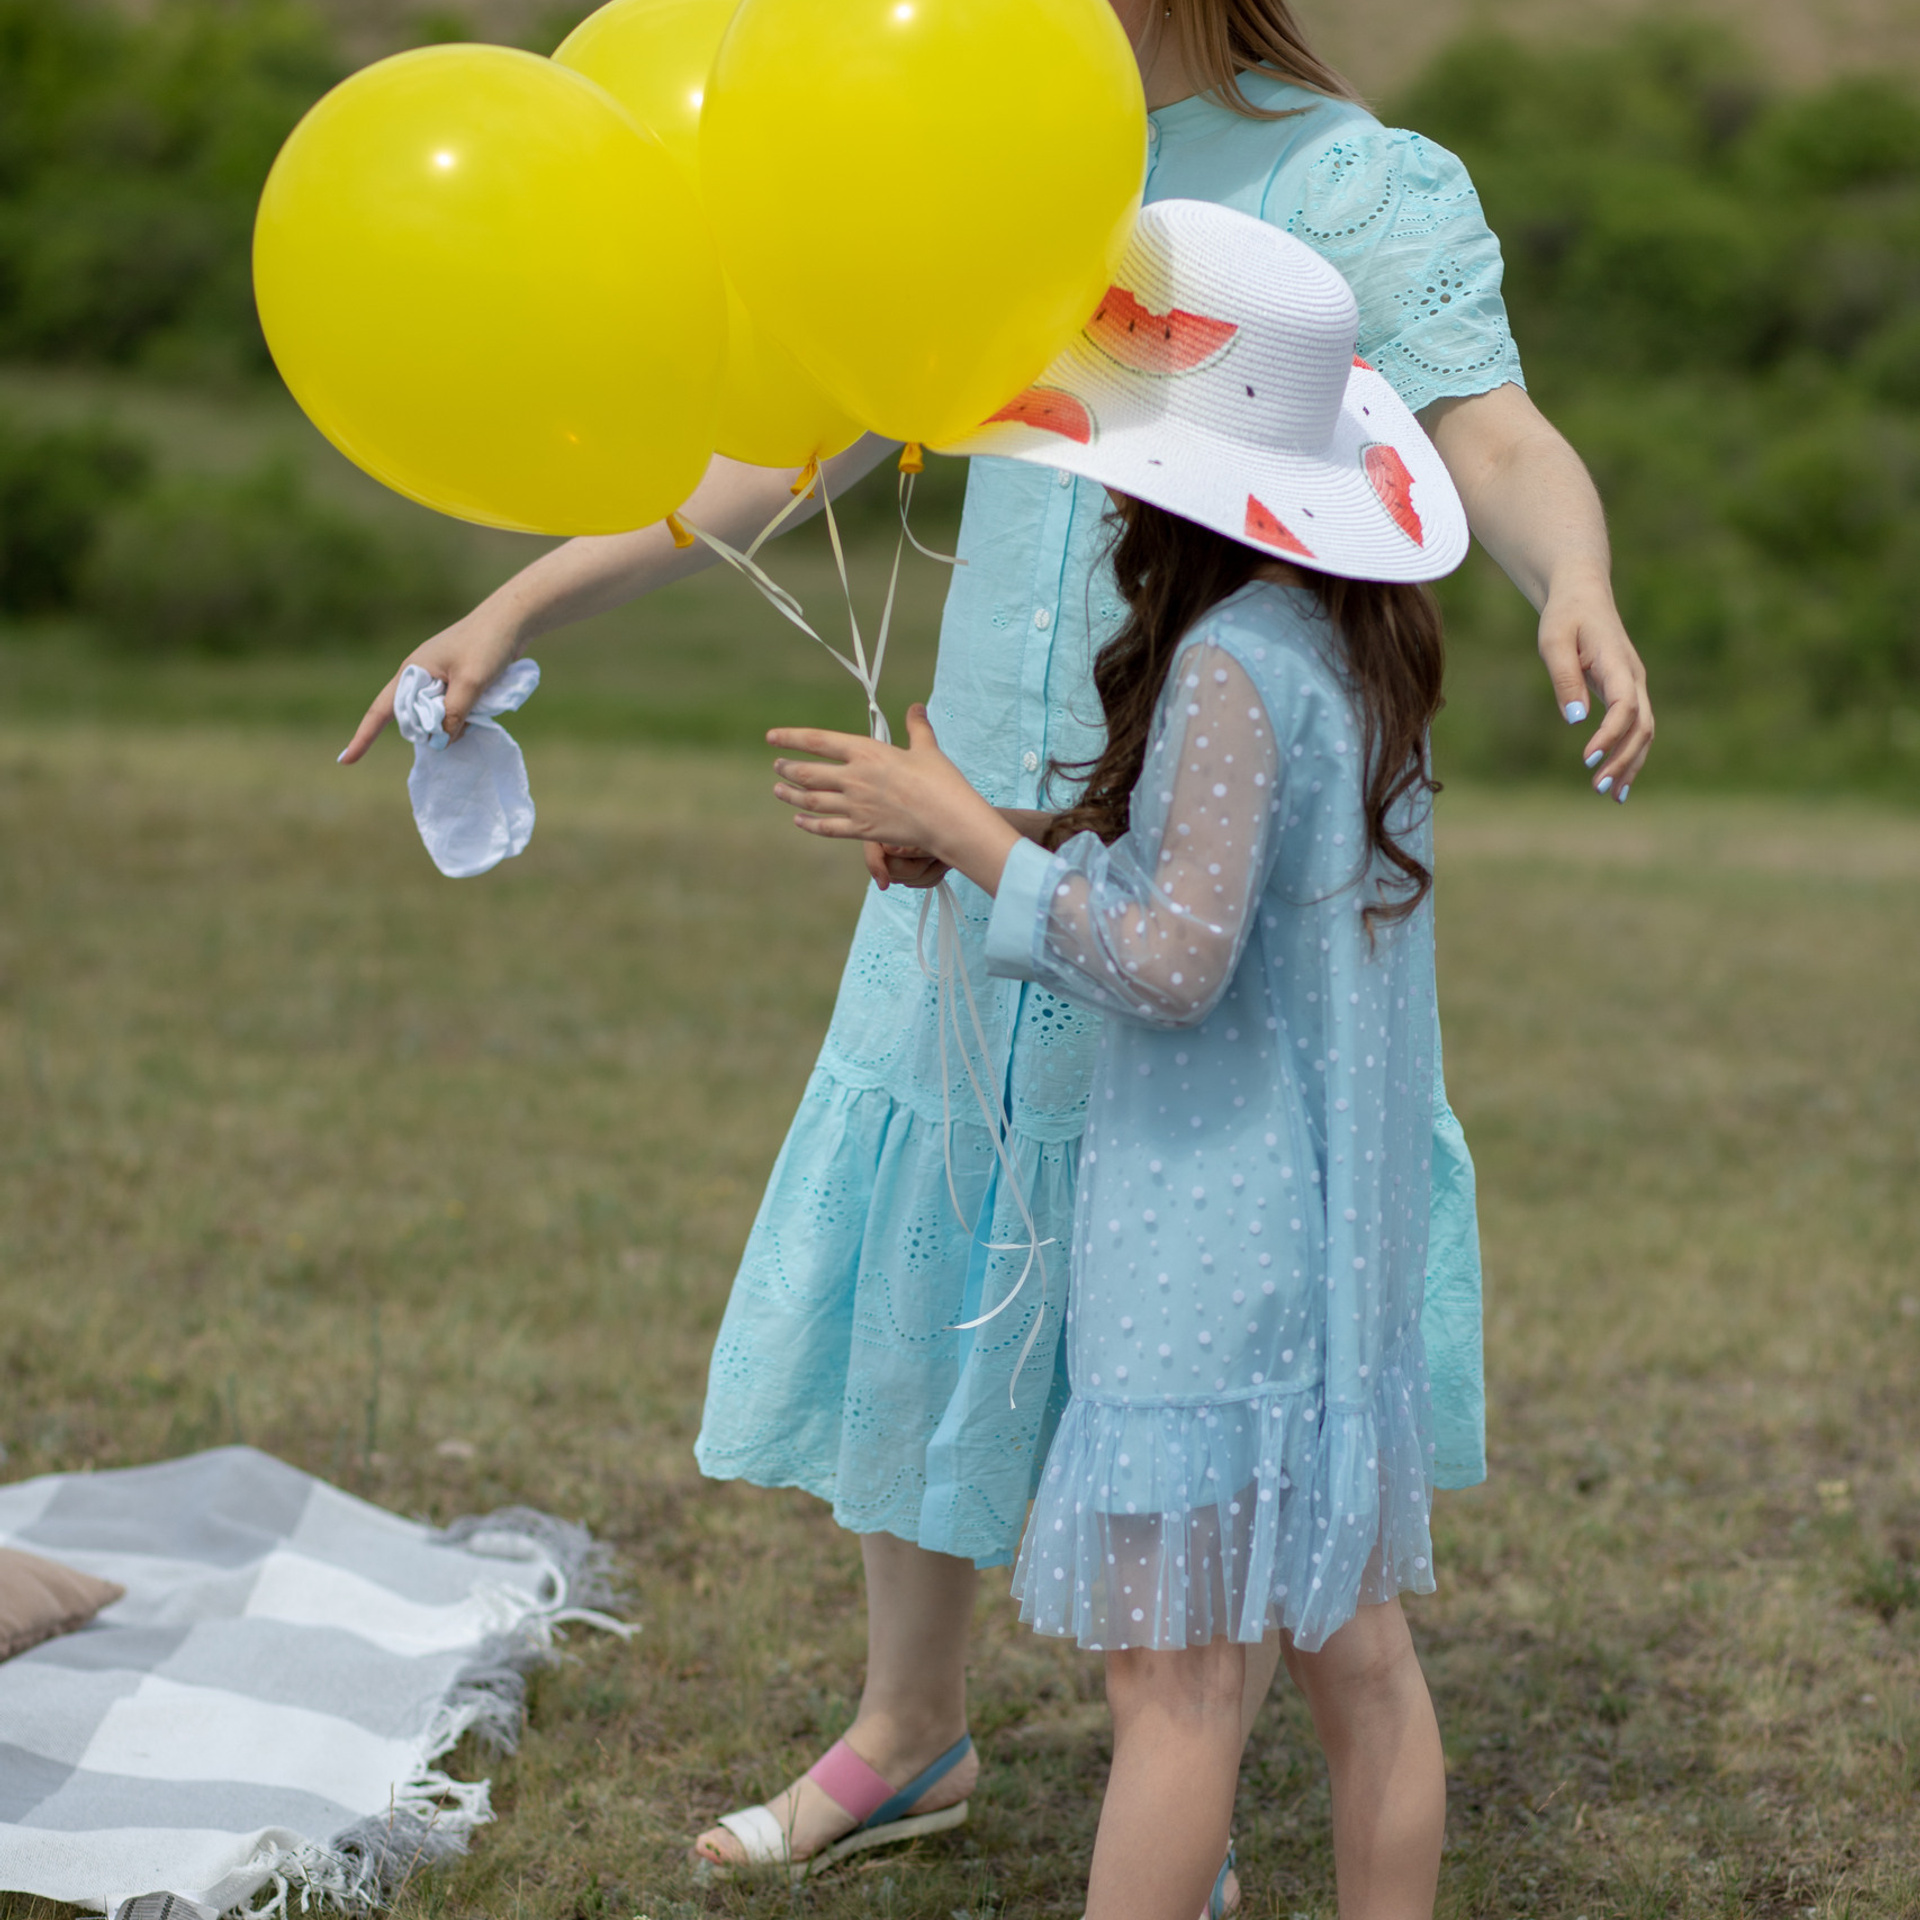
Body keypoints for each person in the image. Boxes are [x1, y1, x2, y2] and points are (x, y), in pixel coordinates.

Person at [337, 0, 1654, 1885]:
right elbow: (785, 448)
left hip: (1210, 831)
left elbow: (1494, 436)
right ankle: (908, 1728)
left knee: (1196, 1297)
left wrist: (1581, 579)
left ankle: (1174, 1742)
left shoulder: (1354, 177)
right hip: (975, 815)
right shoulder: (967, 139)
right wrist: (522, 596)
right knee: (939, 1218)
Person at [766, 198, 1462, 1919]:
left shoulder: (1226, 664)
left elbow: (1164, 960)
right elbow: (1220, 890)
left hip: (1207, 1262)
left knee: (1177, 1694)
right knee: (1356, 1665)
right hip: (1326, 1259)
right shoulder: (1342, 653)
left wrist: (976, 841)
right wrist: (989, 831)